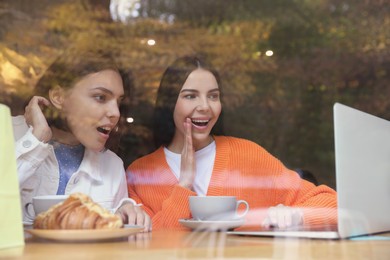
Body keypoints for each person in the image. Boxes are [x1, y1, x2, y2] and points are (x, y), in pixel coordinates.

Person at [126, 55, 337, 230]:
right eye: (190, 96)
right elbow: (154, 246)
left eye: (213, 96)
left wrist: (296, 215)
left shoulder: (248, 155)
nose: (205, 106)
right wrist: (184, 185)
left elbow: (332, 204)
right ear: (168, 103)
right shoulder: (141, 174)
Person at [13, 49, 151, 231]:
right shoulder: (6, 133)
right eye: (100, 97)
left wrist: (124, 213)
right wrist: (36, 138)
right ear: (58, 97)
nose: (116, 113)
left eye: (118, 102)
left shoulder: (112, 166)